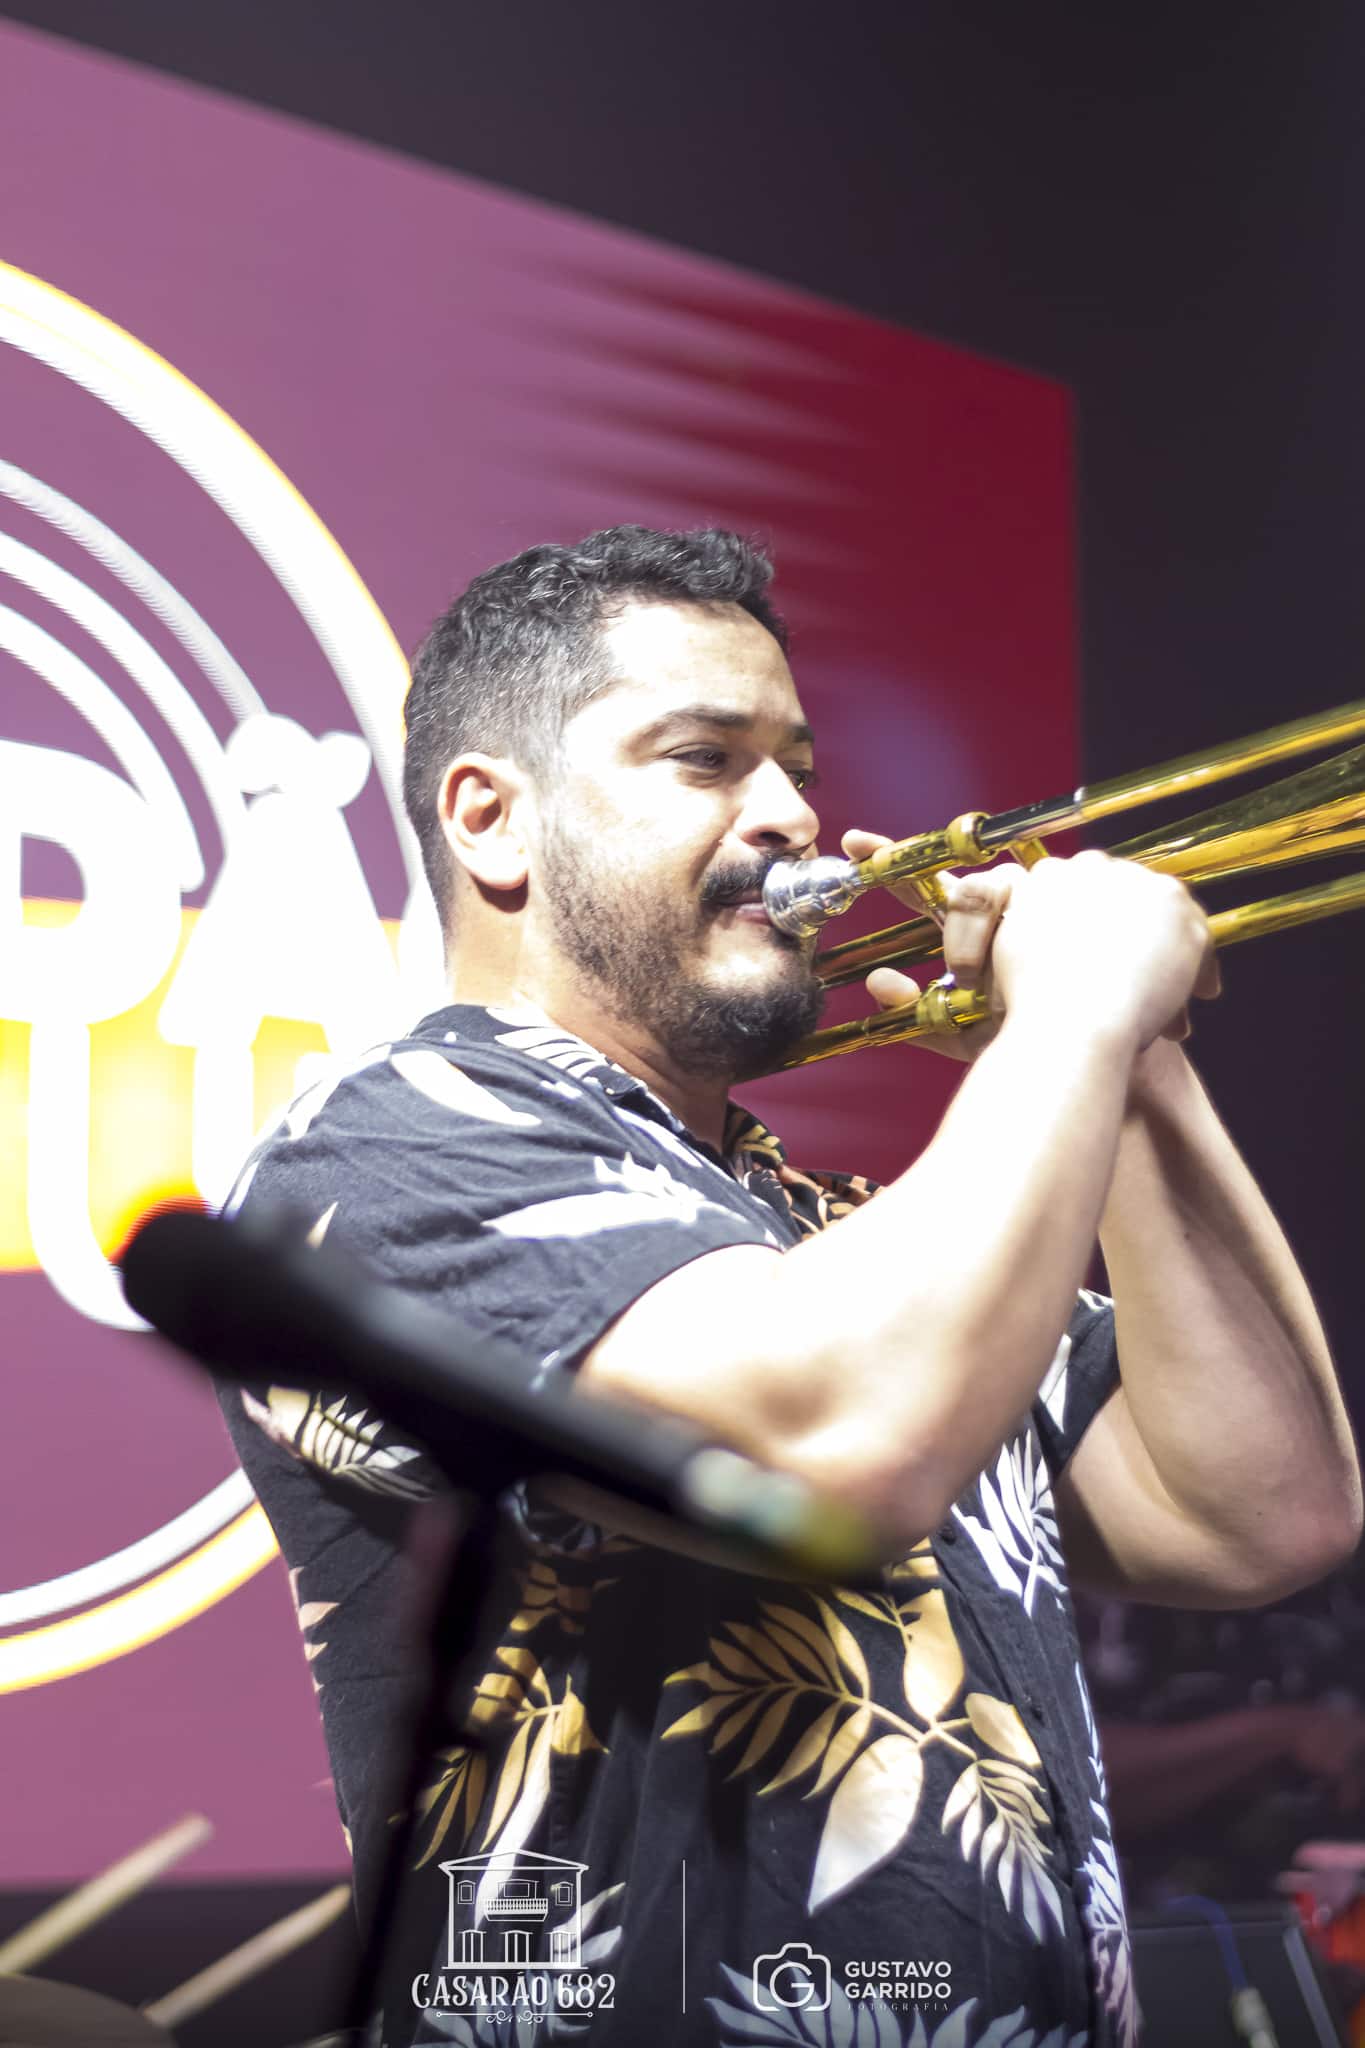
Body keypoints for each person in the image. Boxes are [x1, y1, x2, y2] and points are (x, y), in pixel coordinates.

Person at [217, 525, 1361, 2048]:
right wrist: (1067, 1030)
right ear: (493, 821)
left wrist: (1138, 1071)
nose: (792, 814)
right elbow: (835, 1450)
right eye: (706, 759)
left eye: (795, 765)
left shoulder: (826, 1234)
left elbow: (1260, 1512)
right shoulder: (376, 1158)